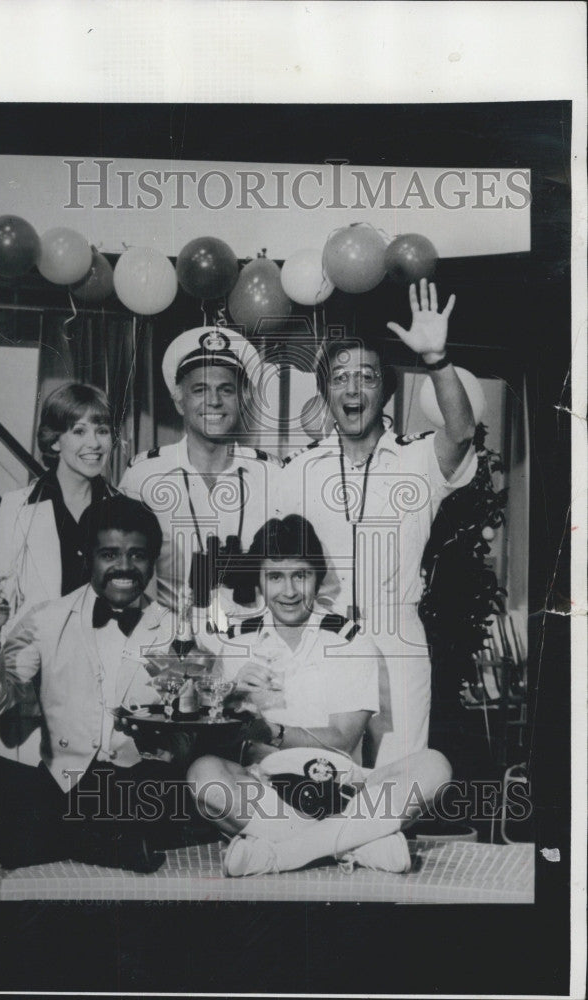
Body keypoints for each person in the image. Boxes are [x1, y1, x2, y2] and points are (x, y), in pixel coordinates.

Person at [277, 280, 477, 765]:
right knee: (319, 777)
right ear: (325, 391)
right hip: (322, 638)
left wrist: (437, 359)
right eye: (339, 378)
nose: (352, 388)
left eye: (366, 377)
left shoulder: (417, 460)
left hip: (397, 639)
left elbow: (462, 431)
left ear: (385, 390)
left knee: (396, 779)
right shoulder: (298, 471)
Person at [185, 514, 452, 877]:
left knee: (434, 766)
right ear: (260, 581)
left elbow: (342, 740)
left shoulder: (349, 640)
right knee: (203, 775)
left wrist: (271, 732)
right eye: (275, 577)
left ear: (318, 575)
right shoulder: (235, 640)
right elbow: (216, 738)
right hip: (267, 790)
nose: (289, 591)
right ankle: (359, 843)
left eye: (301, 575)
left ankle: (282, 854)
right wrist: (229, 699)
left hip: (344, 789)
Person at [0, 494, 192, 873]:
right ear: (86, 558)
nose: (124, 567)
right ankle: (101, 844)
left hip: (136, 785)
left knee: (163, 795)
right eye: (109, 555)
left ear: (152, 562)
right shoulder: (46, 620)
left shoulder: (174, 629)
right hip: (62, 782)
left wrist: (170, 731)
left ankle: (18, 835)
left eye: (137, 556)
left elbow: (187, 726)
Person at [0, 381, 116, 758]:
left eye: (102, 430)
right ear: (54, 441)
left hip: (102, 688)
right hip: (33, 691)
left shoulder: (124, 511)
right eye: (79, 431)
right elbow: (1, 595)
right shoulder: (18, 507)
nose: (95, 443)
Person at [119, 325, 282, 629]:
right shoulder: (143, 476)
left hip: (252, 640)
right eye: (200, 390)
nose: (214, 401)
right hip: (169, 639)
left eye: (226, 389)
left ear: (242, 399)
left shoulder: (272, 474)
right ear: (179, 400)